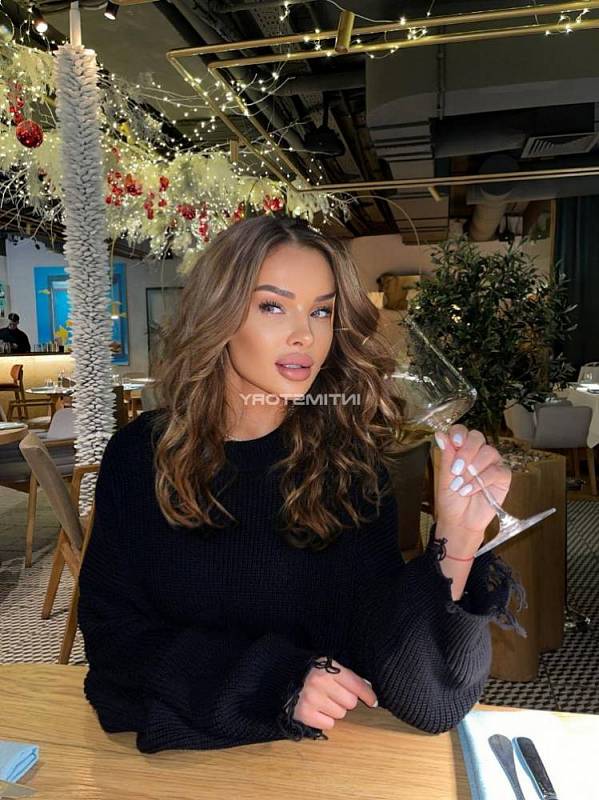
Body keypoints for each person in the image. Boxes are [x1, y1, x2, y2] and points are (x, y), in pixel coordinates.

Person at [78, 216, 523, 755]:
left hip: (318, 761)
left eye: (321, 311)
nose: (305, 335)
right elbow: (115, 645)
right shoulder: (140, 457)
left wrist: (458, 540)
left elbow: (430, 704)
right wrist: (275, 682)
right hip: (177, 769)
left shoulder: (349, 465)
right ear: (219, 315)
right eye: (273, 306)